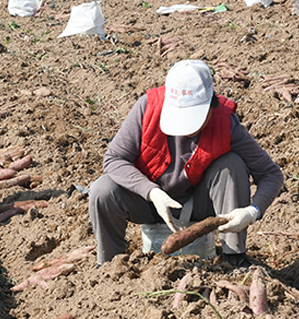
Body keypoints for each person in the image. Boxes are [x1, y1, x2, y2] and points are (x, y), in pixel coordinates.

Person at [88, 59, 283, 267]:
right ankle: (110, 265)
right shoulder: (148, 108)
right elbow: (114, 159)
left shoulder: (225, 121)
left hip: (199, 203)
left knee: (231, 164)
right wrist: (151, 192)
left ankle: (234, 259)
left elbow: (271, 174)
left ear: (211, 104)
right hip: (150, 204)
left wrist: (252, 212)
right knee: (103, 190)